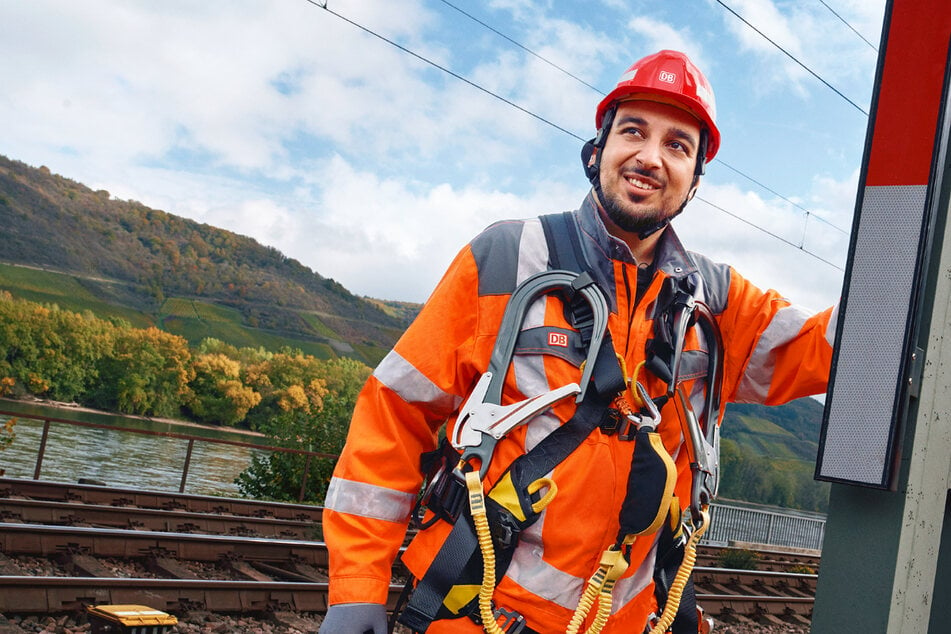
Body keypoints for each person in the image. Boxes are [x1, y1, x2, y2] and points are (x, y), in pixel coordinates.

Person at [318, 50, 835, 634]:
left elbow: (834, 349)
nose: (650, 157)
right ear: (599, 148)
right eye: (634, 131)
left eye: (677, 145)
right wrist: (356, 589)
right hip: (477, 615)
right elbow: (394, 413)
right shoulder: (507, 259)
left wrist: (912, 263)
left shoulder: (717, 305)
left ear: (695, 179)